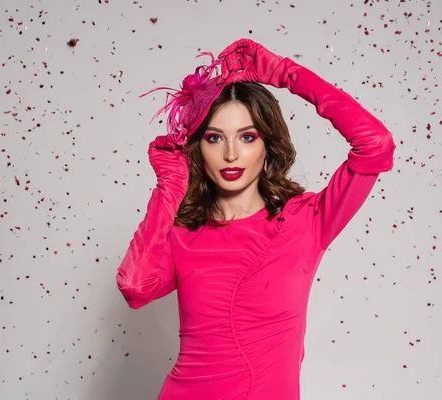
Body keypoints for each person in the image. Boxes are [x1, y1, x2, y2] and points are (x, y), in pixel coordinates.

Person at [115, 38, 396, 400]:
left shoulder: (306, 219)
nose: (231, 154)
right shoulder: (184, 234)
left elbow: (376, 144)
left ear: (267, 147)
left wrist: (285, 74)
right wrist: (169, 188)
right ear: (198, 148)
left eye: (247, 137)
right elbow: (135, 287)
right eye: (215, 138)